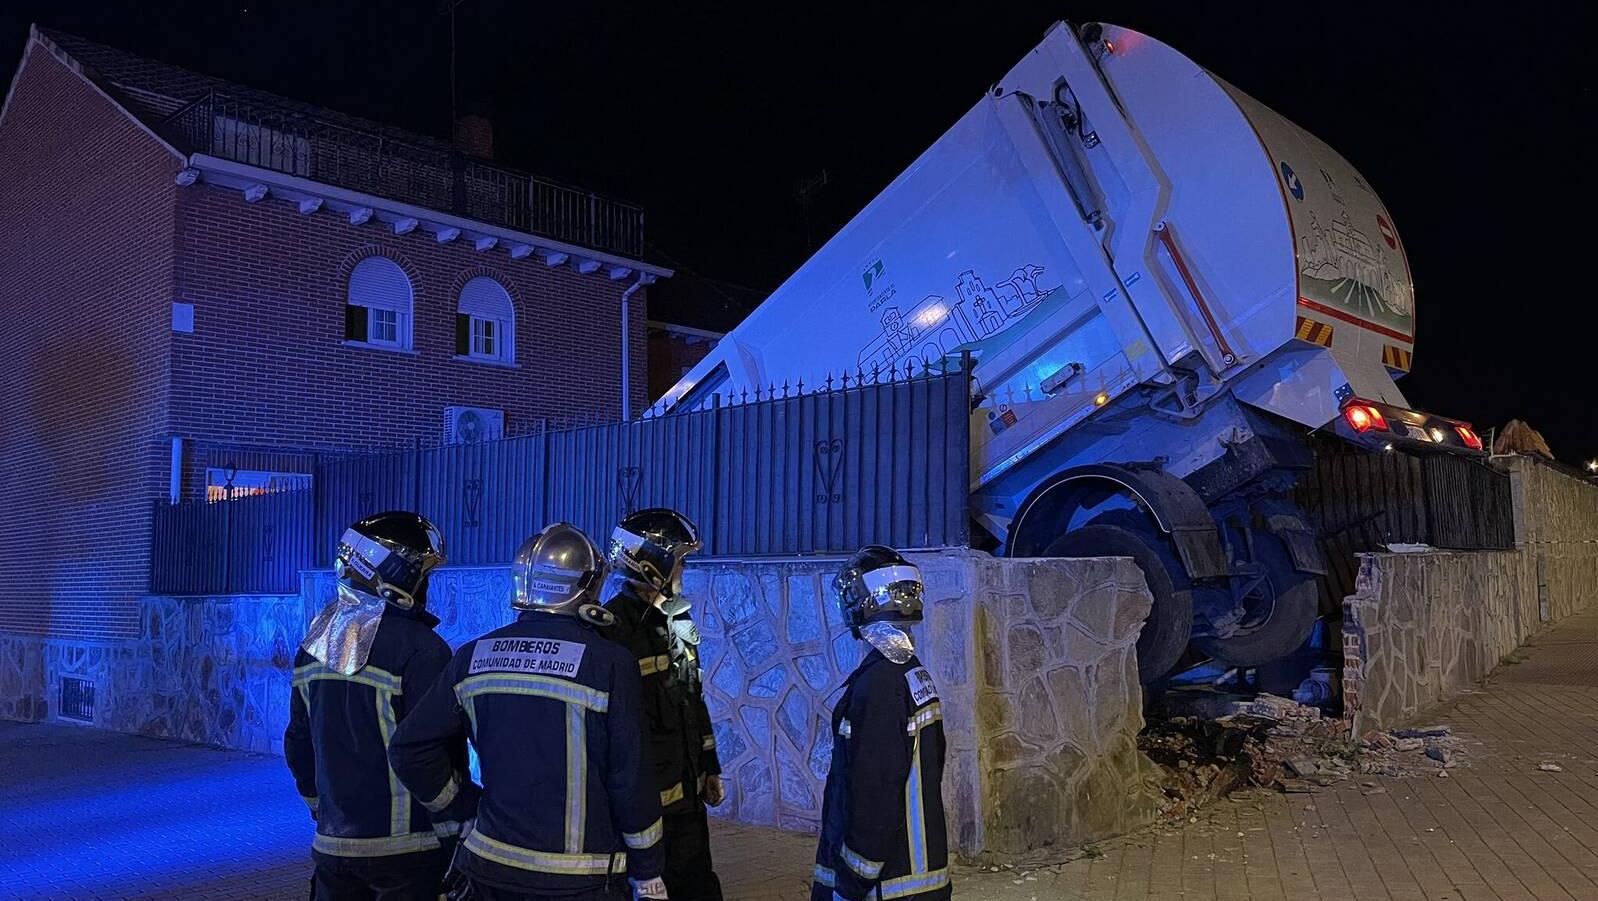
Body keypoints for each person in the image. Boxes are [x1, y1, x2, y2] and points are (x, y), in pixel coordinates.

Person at [389, 522, 668, 901]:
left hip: (488, 865)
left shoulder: (473, 657)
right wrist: (648, 870)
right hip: (578, 879)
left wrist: (464, 808)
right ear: (585, 588)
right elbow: (629, 778)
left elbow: (409, 749)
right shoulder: (610, 664)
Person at [284, 511, 465, 901]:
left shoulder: (312, 646)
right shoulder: (421, 649)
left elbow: (299, 744)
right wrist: (458, 819)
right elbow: (438, 751)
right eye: (423, 575)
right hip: (406, 853)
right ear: (400, 575)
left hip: (332, 848)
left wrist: (322, 810)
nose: (425, 586)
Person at [812, 546, 951, 901]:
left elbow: (874, 788)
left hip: (887, 886)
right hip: (920, 880)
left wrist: (853, 880)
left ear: (867, 602)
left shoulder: (879, 685)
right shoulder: (910, 673)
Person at [600, 508, 724, 901]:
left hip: (687, 799)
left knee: (697, 884)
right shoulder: (612, 629)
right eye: (680, 561)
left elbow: (692, 697)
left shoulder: (677, 619)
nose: (683, 570)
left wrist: (709, 767)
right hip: (644, 807)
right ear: (655, 565)